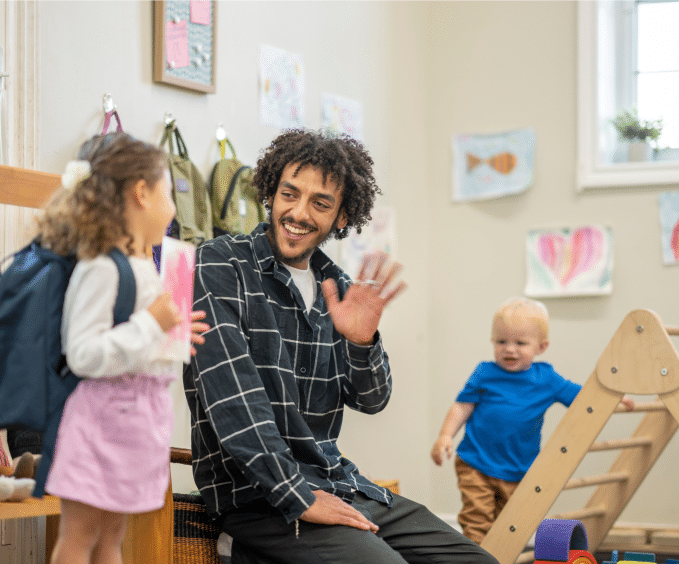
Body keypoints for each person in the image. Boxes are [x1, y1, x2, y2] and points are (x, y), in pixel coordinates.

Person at [186, 128, 498, 564]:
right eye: (289, 194)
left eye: (320, 203)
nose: (298, 212)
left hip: (339, 484)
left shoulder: (339, 289)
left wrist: (362, 341)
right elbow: (233, 399)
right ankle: (240, 549)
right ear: (271, 193)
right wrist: (299, 495)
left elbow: (372, 399)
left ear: (342, 215)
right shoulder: (221, 263)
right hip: (262, 499)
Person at [36, 132, 209, 564]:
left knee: (113, 538)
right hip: (100, 423)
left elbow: (137, 340)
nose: (172, 209)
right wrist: (152, 323)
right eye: (168, 192)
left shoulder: (139, 265)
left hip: (137, 424)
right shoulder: (100, 266)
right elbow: (85, 354)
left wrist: (172, 333)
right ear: (141, 194)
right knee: (79, 538)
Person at [430, 297, 634, 544]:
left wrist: (612, 399)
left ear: (541, 347)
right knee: (477, 521)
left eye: (520, 342)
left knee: (509, 524)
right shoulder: (485, 373)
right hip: (476, 462)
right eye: (501, 341)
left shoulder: (545, 378)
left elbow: (582, 397)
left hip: (519, 469)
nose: (509, 349)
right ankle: (476, 558)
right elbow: (462, 405)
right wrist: (445, 436)